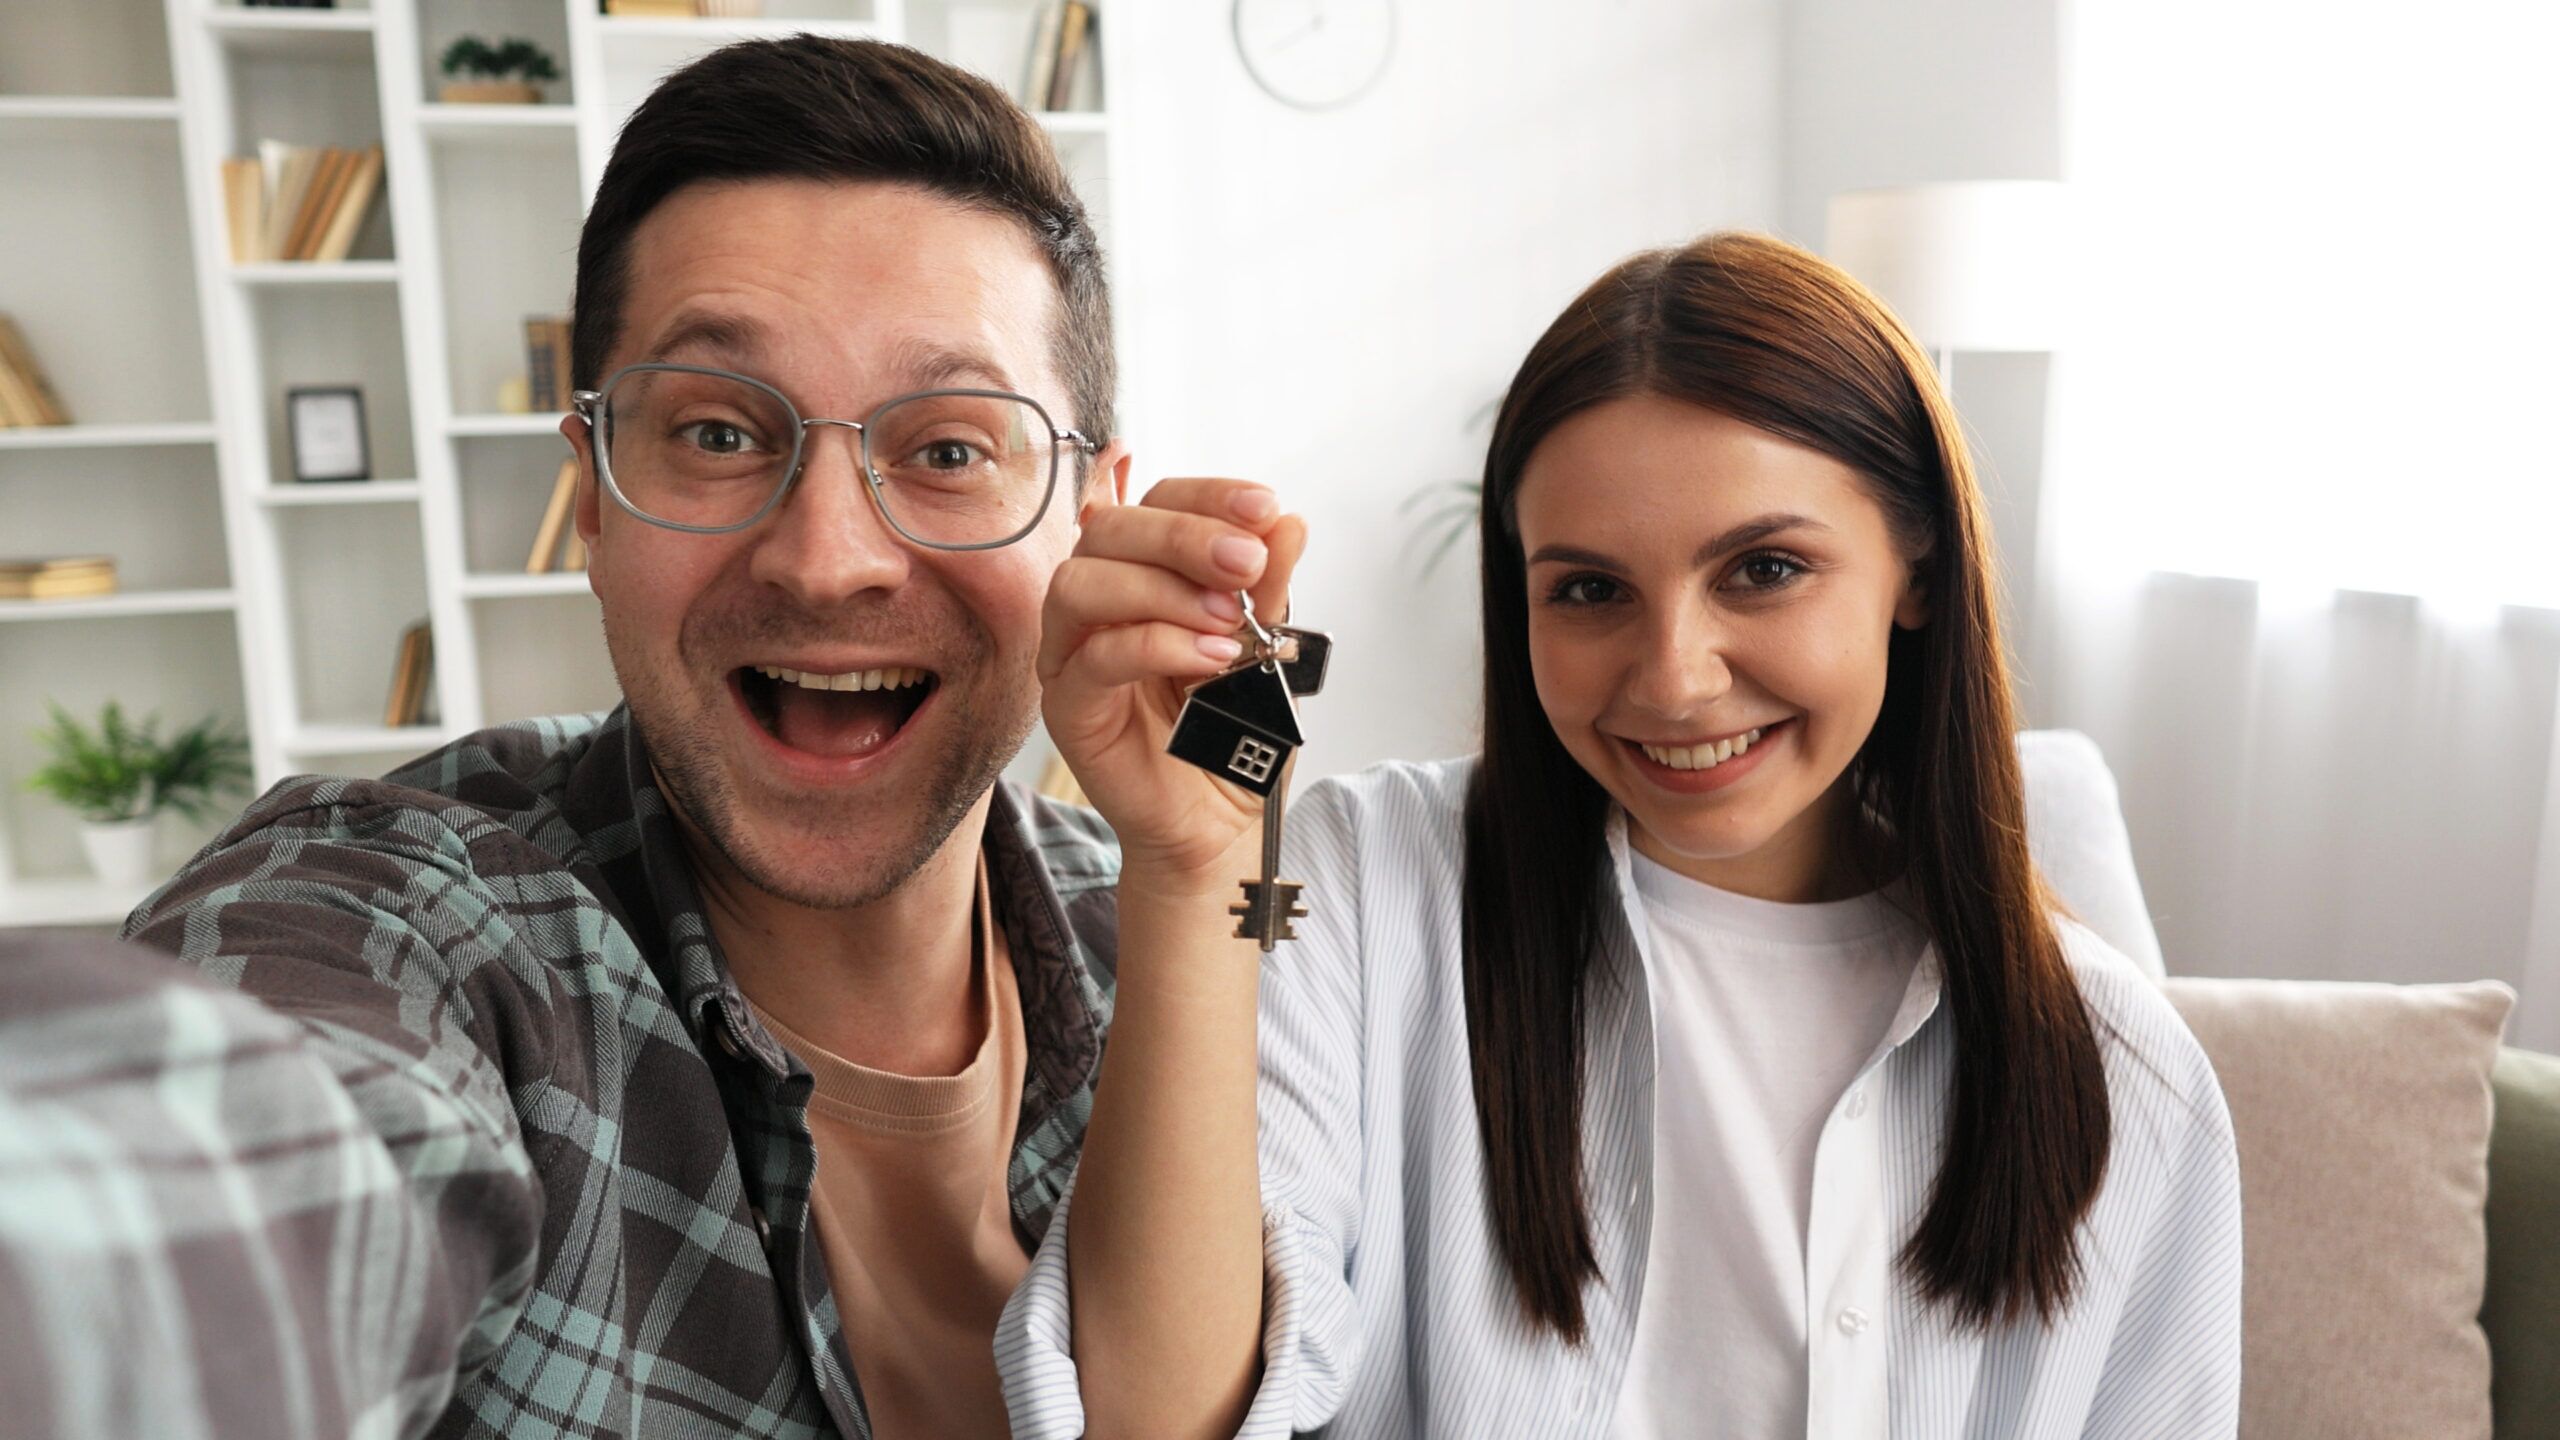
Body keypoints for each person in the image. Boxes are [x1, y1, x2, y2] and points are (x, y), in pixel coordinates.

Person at [0, 36, 1304, 1440]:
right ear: (597, 503)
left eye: (947, 450)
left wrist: (1202, 878)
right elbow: (224, 1176)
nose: (826, 561)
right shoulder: (429, 919)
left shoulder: (1173, 925)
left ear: (1091, 516)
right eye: (719, 434)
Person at [1011, 231, 2245, 1438]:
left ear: (1915, 566)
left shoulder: (2122, 1070)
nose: (1672, 680)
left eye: (1762, 569)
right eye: (1591, 590)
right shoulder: (1361, 887)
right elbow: (1148, 1421)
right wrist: (1186, 869)